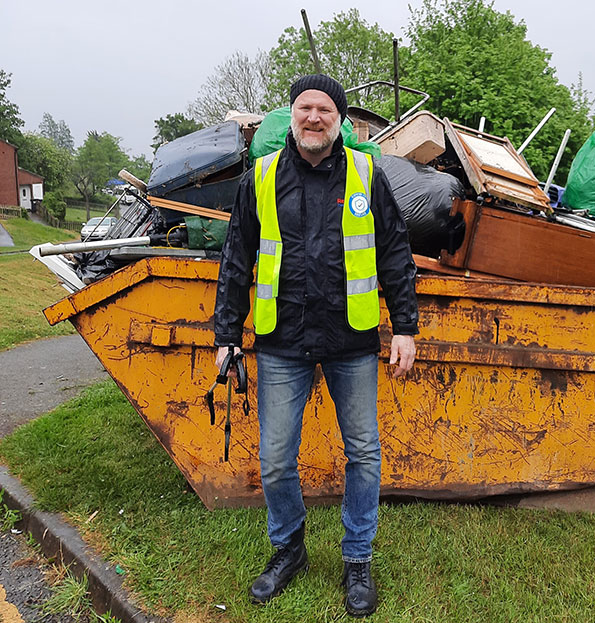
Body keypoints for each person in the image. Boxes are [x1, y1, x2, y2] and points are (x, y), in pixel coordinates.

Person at [213, 73, 418, 617]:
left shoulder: (365, 172)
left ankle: (357, 560)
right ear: (292, 115)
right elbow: (237, 259)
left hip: (352, 340)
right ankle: (289, 550)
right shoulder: (260, 178)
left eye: (325, 110)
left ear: (340, 120)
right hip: (281, 339)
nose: (313, 118)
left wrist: (406, 328)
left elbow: (395, 252)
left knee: (364, 454)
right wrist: (227, 336)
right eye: (305, 108)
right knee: (277, 459)